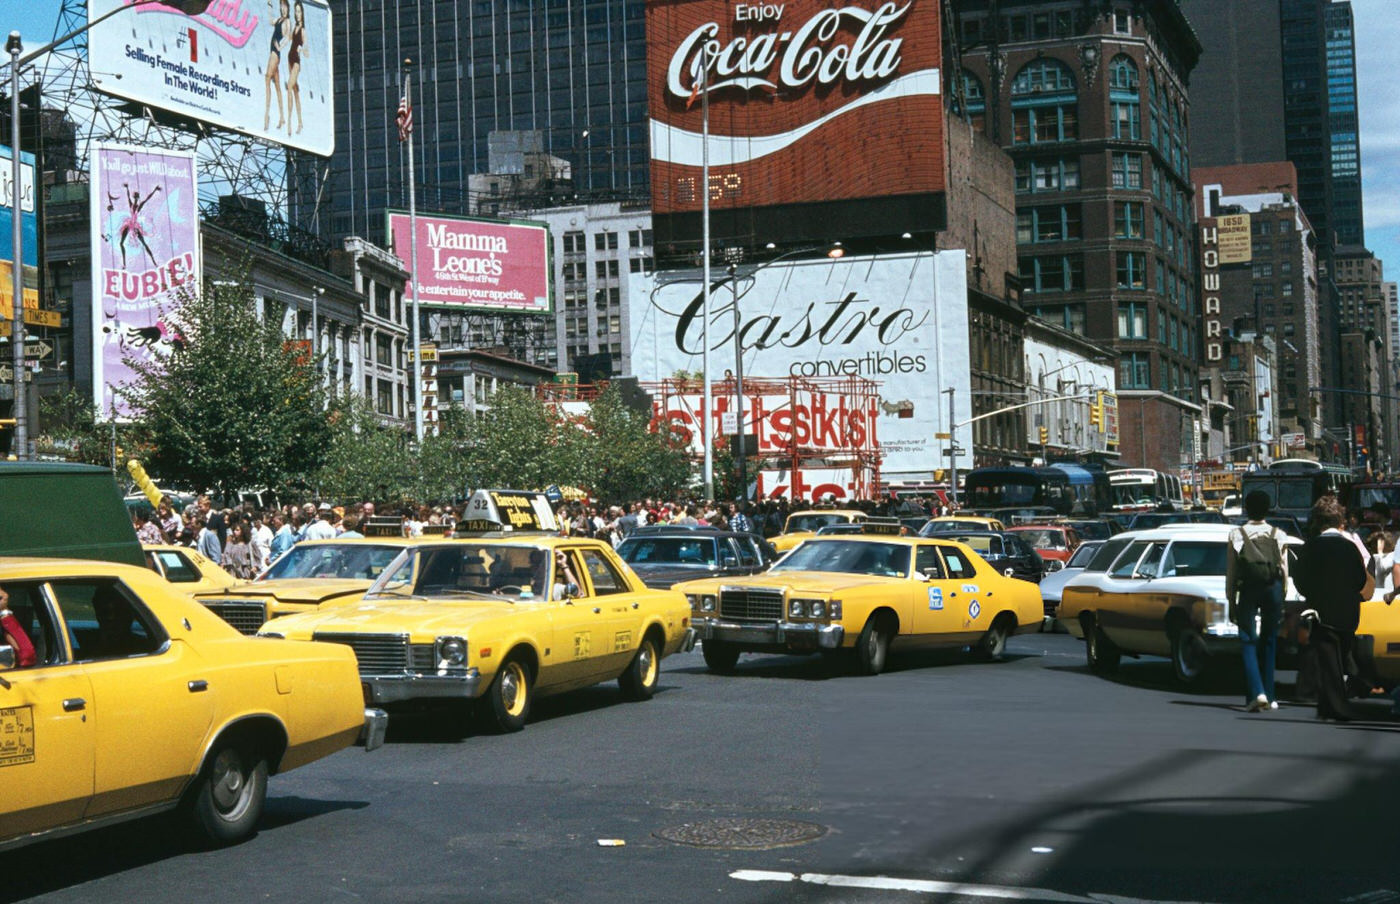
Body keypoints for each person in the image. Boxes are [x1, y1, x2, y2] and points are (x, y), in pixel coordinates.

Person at [1294, 495, 1373, 721]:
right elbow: (1360, 579)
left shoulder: (1311, 547)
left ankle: (1336, 707)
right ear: (1340, 520)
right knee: (1339, 659)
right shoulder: (1349, 547)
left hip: (1322, 611)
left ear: (1318, 522)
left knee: (1328, 660)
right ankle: (1329, 706)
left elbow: (1300, 579)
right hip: (1348, 612)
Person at [1225, 490, 1289, 712]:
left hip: (1249, 590)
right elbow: (1284, 570)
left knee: (1247, 640)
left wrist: (1231, 600)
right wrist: (1282, 597)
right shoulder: (1278, 534)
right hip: (1273, 588)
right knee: (1270, 641)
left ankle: (1257, 691)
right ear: (1267, 509)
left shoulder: (1237, 534)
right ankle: (1270, 696)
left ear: (1246, 508)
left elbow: (1232, 573)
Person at [264, 0, 290, 131]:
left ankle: (267, 114)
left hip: (275, 53)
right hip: (273, 51)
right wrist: (269, 7)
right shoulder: (280, 19)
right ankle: (282, 117)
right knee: (277, 86)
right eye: (281, 7)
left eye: (285, 7)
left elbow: (288, 36)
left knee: (267, 78)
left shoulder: (287, 21)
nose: (283, 9)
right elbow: (270, 21)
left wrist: (280, 47)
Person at [285, 1, 306, 135]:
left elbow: (305, 48)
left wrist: (302, 49)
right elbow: (288, 39)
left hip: (296, 62)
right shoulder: (294, 28)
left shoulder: (303, 31)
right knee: (296, 92)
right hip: (289, 58)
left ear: (302, 13)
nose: (297, 14)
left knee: (289, 87)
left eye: (299, 11)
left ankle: (289, 123)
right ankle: (300, 122)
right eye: (296, 11)